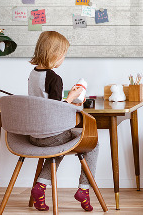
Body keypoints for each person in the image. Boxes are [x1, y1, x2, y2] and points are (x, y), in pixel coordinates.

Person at [28, 31, 98, 212]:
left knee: (58, 147)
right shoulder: (54, 78)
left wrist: (68, 98)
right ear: (54, 54)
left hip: (34, 135)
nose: (63, 59)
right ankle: (84, 189)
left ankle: (40, 187)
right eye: (63, 54)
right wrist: (73, 97)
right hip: (51, 135)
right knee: (93, 143)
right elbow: (56, 110)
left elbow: (45, 103)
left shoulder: (33, 74)